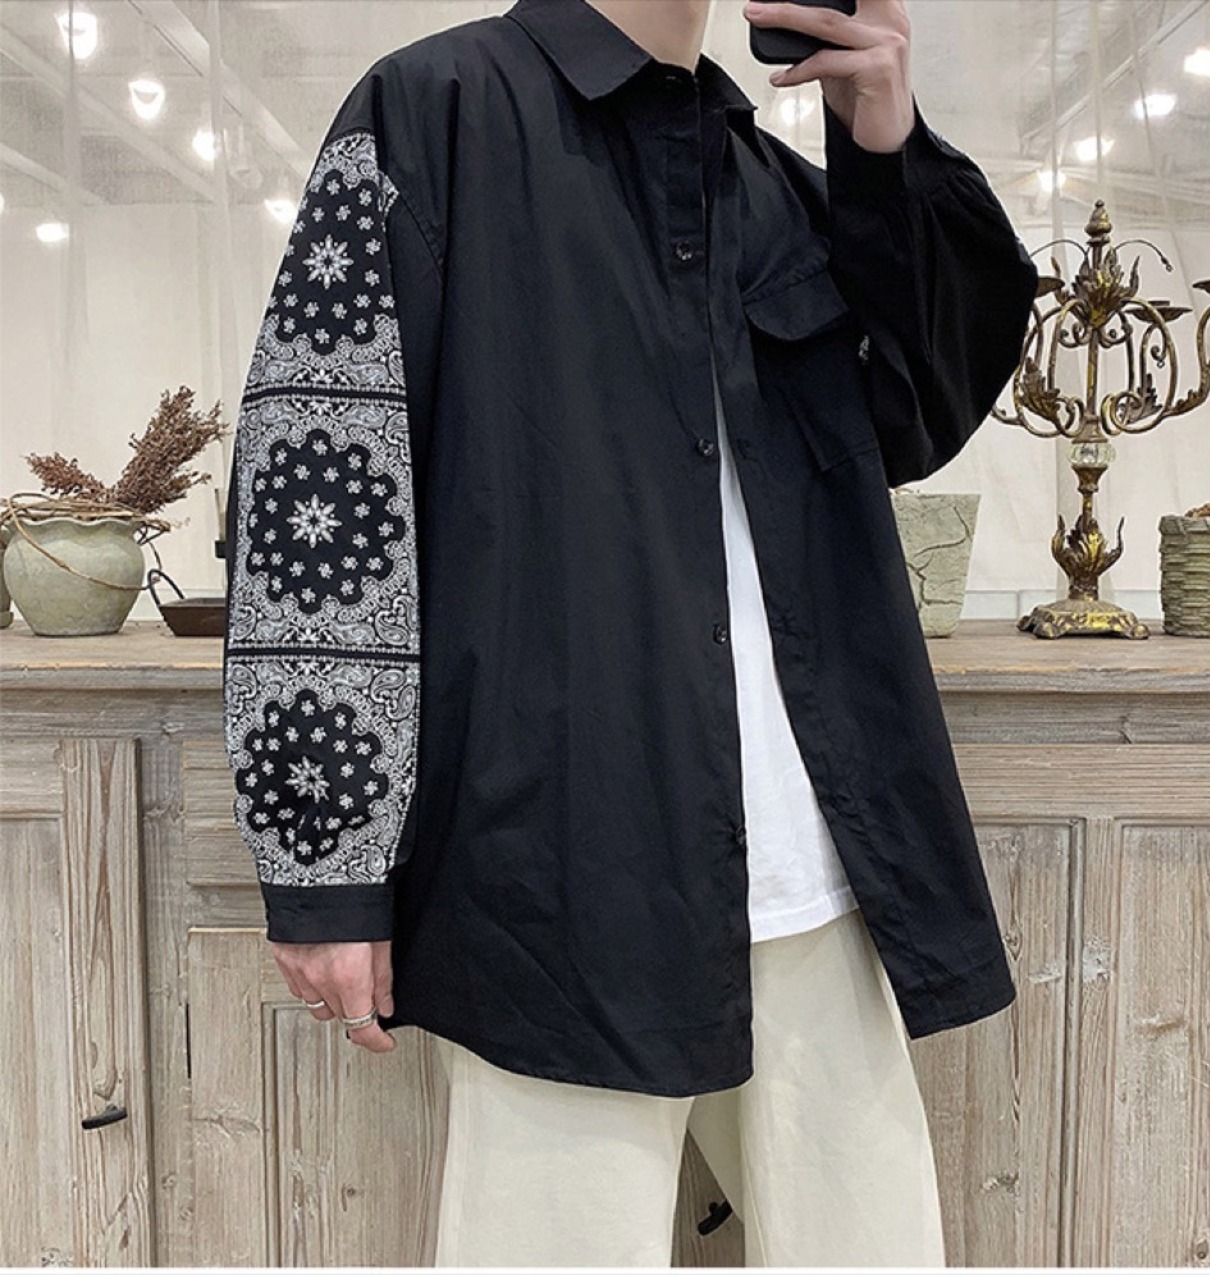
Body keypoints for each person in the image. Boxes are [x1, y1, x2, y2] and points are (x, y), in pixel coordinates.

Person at [221, 0, 1040, 1264]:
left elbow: (918, 409)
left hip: (817, 875)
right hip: (563, 877)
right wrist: (324, 866)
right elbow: (319, 487)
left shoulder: (755, 171)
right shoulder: (437, 112)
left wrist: (884, 144)